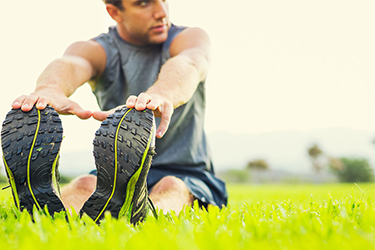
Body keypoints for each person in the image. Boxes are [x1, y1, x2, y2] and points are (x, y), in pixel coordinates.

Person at [2, 0, 227, 223]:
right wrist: (49, 89)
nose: (161, 12)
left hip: (187, 173)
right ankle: (50, 216)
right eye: (144, 3)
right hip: (117, 176)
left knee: (172, 186)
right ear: (114, 12)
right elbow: (71, 63)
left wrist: (162, 94)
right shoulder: (99, 49)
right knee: (84, 184)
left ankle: (145, 217)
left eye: (163, 0)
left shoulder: (189, 38)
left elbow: (189, 63)